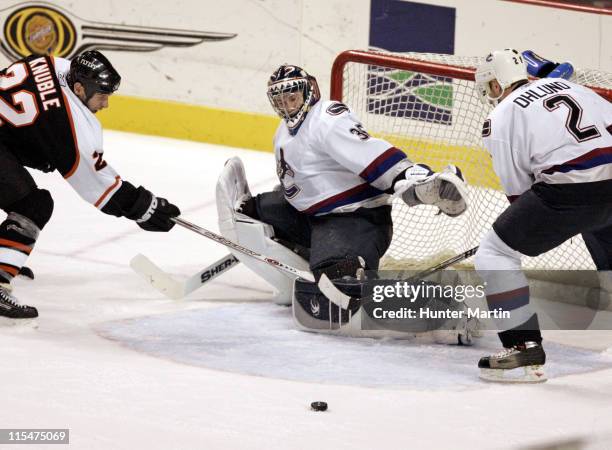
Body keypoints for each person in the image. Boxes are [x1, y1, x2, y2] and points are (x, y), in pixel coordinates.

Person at [216, 64, 470, 341]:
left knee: (338, 286)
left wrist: (414, 180)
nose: (287, 106)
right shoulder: (285, 129)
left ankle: (448, 312)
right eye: (280, 101)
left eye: (292, 98)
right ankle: (308, 253)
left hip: (355, 220)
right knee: (256, 211)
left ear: (309, 91)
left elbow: (368, 151)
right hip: (312, 216)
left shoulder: (327, 118)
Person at [0, 50, 180, 323]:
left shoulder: (51, 63)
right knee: (33, 206)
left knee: (18, 194)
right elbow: (99, 188)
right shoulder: (69, 124)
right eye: (102, 96)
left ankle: (5, 255)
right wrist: (144, 207)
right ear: (80, 88)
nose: (106, 104)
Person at [473, 49, 612, 382]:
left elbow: (520, 194)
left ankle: (523, 352)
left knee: (495, 253)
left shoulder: (502, 115)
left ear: (494, 86)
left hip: (569, 190)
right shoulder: (576, 88)